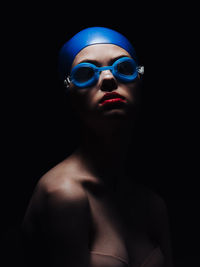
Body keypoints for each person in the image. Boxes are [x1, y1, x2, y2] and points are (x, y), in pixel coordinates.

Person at [22, 27, 173, 267]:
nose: (108, 79)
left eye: (123, 68)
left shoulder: (153, 205)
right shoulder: (65, 195)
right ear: (68, 91)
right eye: (85, 73)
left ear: (140, 80)